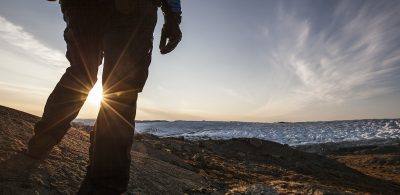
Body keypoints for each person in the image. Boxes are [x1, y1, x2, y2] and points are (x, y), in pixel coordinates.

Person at [26, 0, 182, 194]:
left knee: (81, 74)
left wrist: (173, 15)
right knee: (121, 88)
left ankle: (43, 140)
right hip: (131, 9)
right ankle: (105, 182)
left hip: (86, 8)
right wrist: (173, 15)